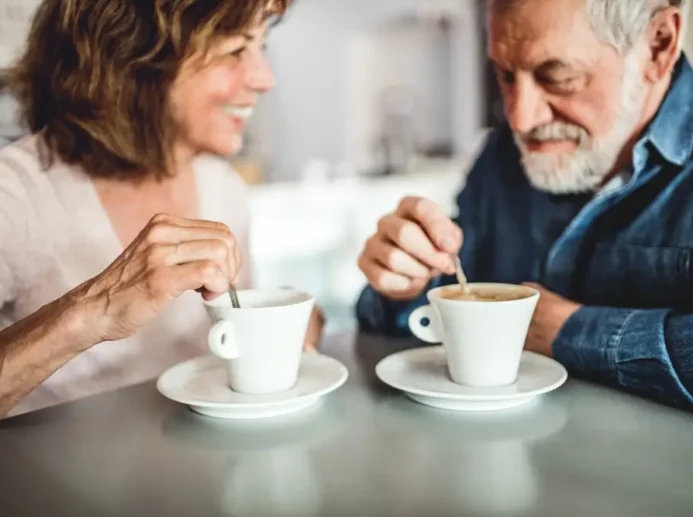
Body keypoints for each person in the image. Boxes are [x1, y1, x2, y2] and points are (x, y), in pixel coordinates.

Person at [356, 0, 693, 409]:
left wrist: (569, 332)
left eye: (558, 77)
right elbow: (432, 312)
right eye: (504, 74)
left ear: (658, 45)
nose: (520, 117)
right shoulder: (501, 158)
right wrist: (405, 282)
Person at [0, 0, 324, 418]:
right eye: (234, 50)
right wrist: (96, 309)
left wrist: (286, 328)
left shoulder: (223, 187)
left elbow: (230, 349)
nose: (265, 79)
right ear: (133, 57)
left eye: (262, 46)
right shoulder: (17, 193)